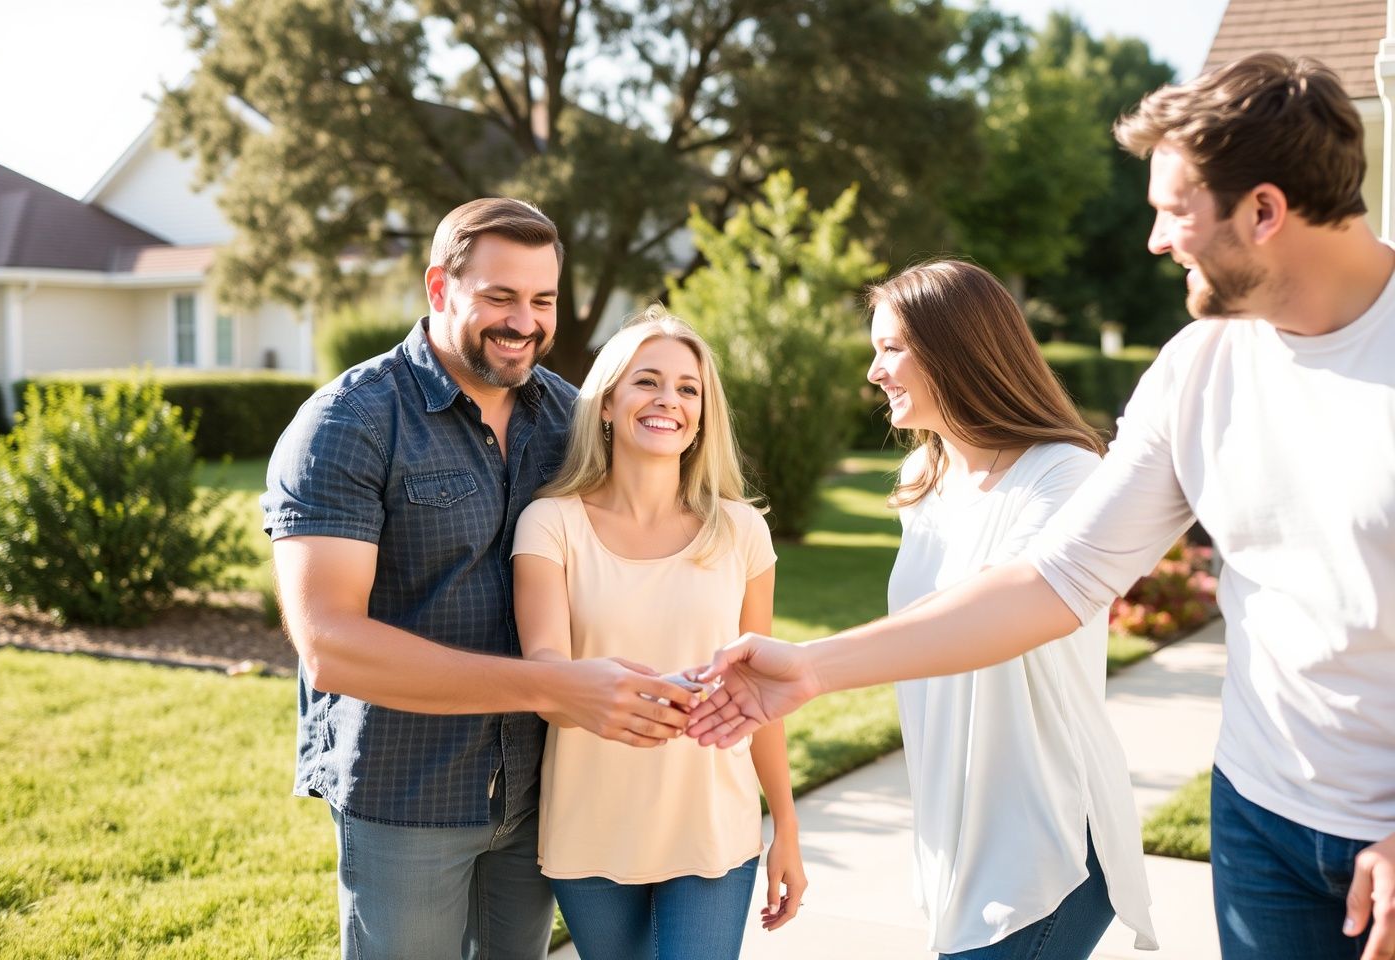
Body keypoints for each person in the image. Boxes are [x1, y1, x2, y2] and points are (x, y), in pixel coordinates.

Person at [688, 52, 1395, 960]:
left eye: (1174, 211)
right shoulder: (1199, 369)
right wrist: (814, 667)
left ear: (1263, 211)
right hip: (1260, 813)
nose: (1155, 239)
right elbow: (1054, 580)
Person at [261, 198, 701, 960]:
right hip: (407, 794)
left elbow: (655, 528)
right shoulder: (348, 424)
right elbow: (330, 643)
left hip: (539, 795)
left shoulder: (570, 419)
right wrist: (551, 688)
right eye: (499, 297)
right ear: (439, 289)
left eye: (542, 300)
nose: (524, 322)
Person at [853, 260, 1156, 958]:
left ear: (955, 347)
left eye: (890, 348)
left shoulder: (1064, 474)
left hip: (1047, 838)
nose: (874, 372)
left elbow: (997, 608)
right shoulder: (921, 480)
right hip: (959, 831)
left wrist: (812, 668)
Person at [511, 307, 806, 960]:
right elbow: (546, 677)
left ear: (703, 414)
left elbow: (762, 695)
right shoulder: (550, 525)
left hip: (711, 828)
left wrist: (785, 824)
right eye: (647, 381)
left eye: (687, 388)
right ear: (608, 403)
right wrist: (632, 695)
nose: (668, 400)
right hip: (591, 827)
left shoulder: (741, 532)